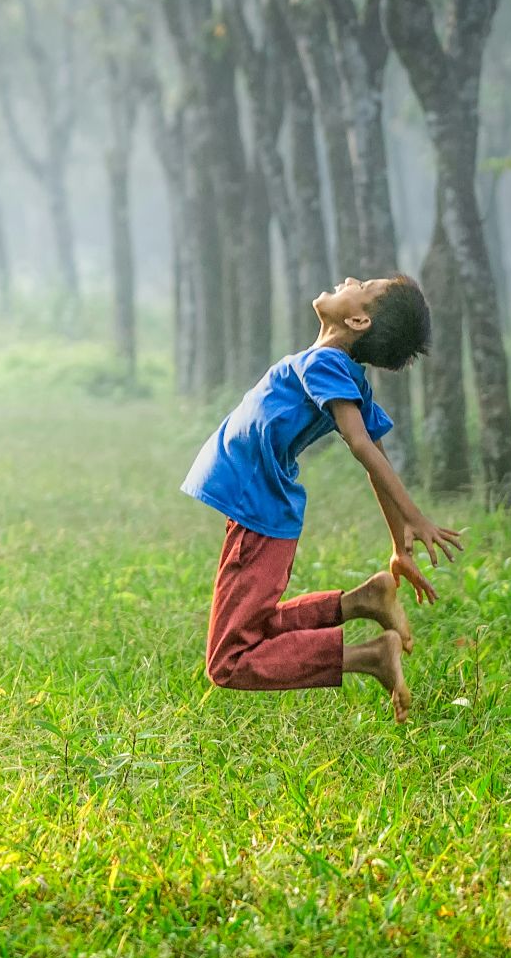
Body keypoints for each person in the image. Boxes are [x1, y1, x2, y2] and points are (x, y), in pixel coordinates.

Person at [180, 275, 464, 722]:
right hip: (259, 509)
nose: (350, 279)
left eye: (363, 284)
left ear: (358, 318)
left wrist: (414, 518)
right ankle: (362, 602)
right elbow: (376, 453)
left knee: (229, 660)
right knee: (253, 629)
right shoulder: (335, 367)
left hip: (259, 512)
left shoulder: (328, 364)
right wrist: (397, 544)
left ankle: (370, 657)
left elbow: (363, 445)